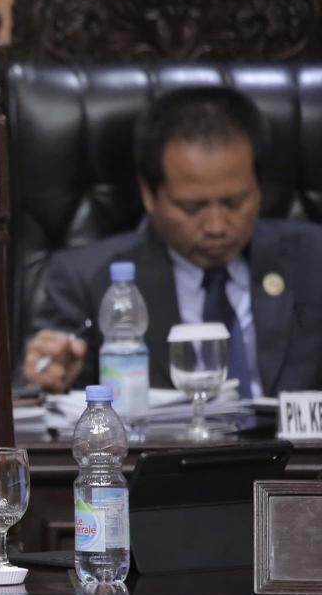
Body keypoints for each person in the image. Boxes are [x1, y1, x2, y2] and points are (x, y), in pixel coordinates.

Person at [25, 86, 322, 396]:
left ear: (258, 187)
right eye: (192, 207)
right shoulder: (86, 282)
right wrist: (50, 378)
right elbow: (40, 389)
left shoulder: (314, 259)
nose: (217, 227)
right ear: (149, 194)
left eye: (234, 203)